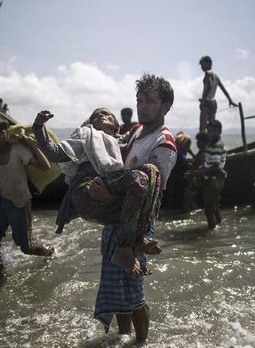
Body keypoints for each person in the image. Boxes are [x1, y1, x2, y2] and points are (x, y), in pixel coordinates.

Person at [93, 73, 177, 345]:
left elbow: (151, 195)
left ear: (165, 106)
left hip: (137, 225)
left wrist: (106, 196)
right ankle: (122, 336)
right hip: (115, 218)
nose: (142, 106)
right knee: (117, 291)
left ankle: (141, 342)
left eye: (150, 101)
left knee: (134, 291)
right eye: (139, 100)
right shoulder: (137, 132)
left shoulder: (163, 144)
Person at [31, 107, 162, 273]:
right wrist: (39, 126)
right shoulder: (86, 136)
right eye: (96, 115)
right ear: (91, 122)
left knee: (151, 171)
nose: (100, 115)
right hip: (87, 189)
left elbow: (142, 134)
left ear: (116, 126)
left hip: (108, 194)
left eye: (106, 114)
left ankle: (137, 237)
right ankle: (124, 248)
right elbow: (54, 153)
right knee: (139, 178)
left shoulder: (121, 144)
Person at [0, 114, 54, 272]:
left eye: (0, 133)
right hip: (1, 201)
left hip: (21, 203)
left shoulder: (18, 150)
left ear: (7, 133)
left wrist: (29, 142)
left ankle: (49, 253)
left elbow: (45, 166)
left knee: (26, 248)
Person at [198, 55, 237, 133]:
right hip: (213, 103)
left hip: (206, 103)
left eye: (203, 64)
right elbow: (224, 90)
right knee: (211, 126)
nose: (201, 67)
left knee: (202, 128)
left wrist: (203, 100)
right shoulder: (216, 77)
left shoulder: (207, 73)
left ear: (209, 64)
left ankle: (203, 143)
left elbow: (209, 86)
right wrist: (230, 100)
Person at [199, 120, 227, 229]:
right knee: (214, 206)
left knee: (208, 210)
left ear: (219, 132)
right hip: (214, 179)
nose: (211, 133)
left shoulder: (216, 146)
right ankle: (219, 226)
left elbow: (215, 167)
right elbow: (210, 163)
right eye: (209, 131)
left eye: (214, 131)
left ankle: (211, 233)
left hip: (214, 180)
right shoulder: (212, 145)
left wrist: (201, 171)